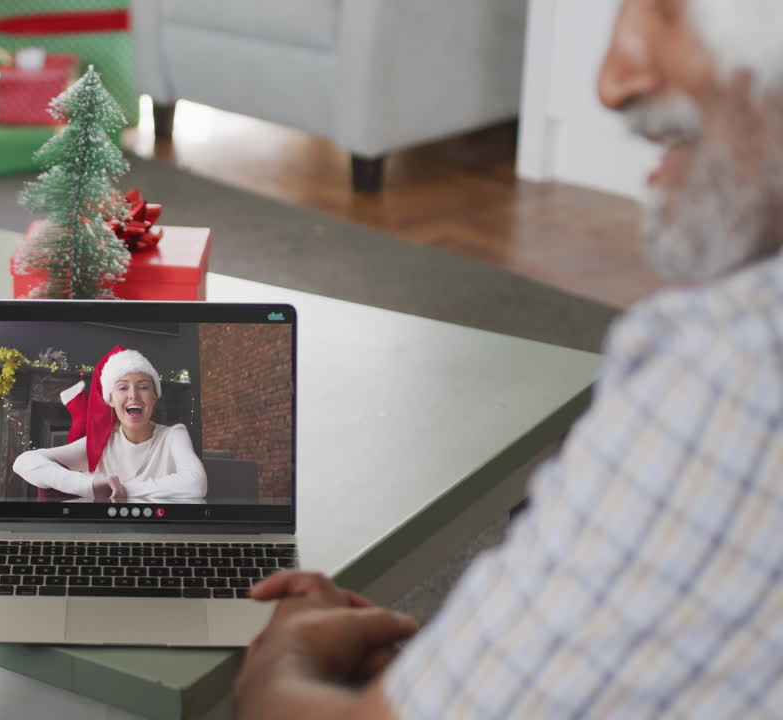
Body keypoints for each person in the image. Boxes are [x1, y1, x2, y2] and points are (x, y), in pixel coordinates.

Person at [235, 1, 783, 717]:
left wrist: (281, 662)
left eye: (671, 6)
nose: (611, 81)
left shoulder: (733, 371)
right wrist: (466, 659)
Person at [13, 347, 207, 500]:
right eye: (123, 387)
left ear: (155, 397)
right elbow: (24, 463)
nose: (133, 394)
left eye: (144, 387)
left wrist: (121, 490)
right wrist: (90, 485)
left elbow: (196, 483)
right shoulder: (101, 443)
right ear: (111, 399)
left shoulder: (174, 435)